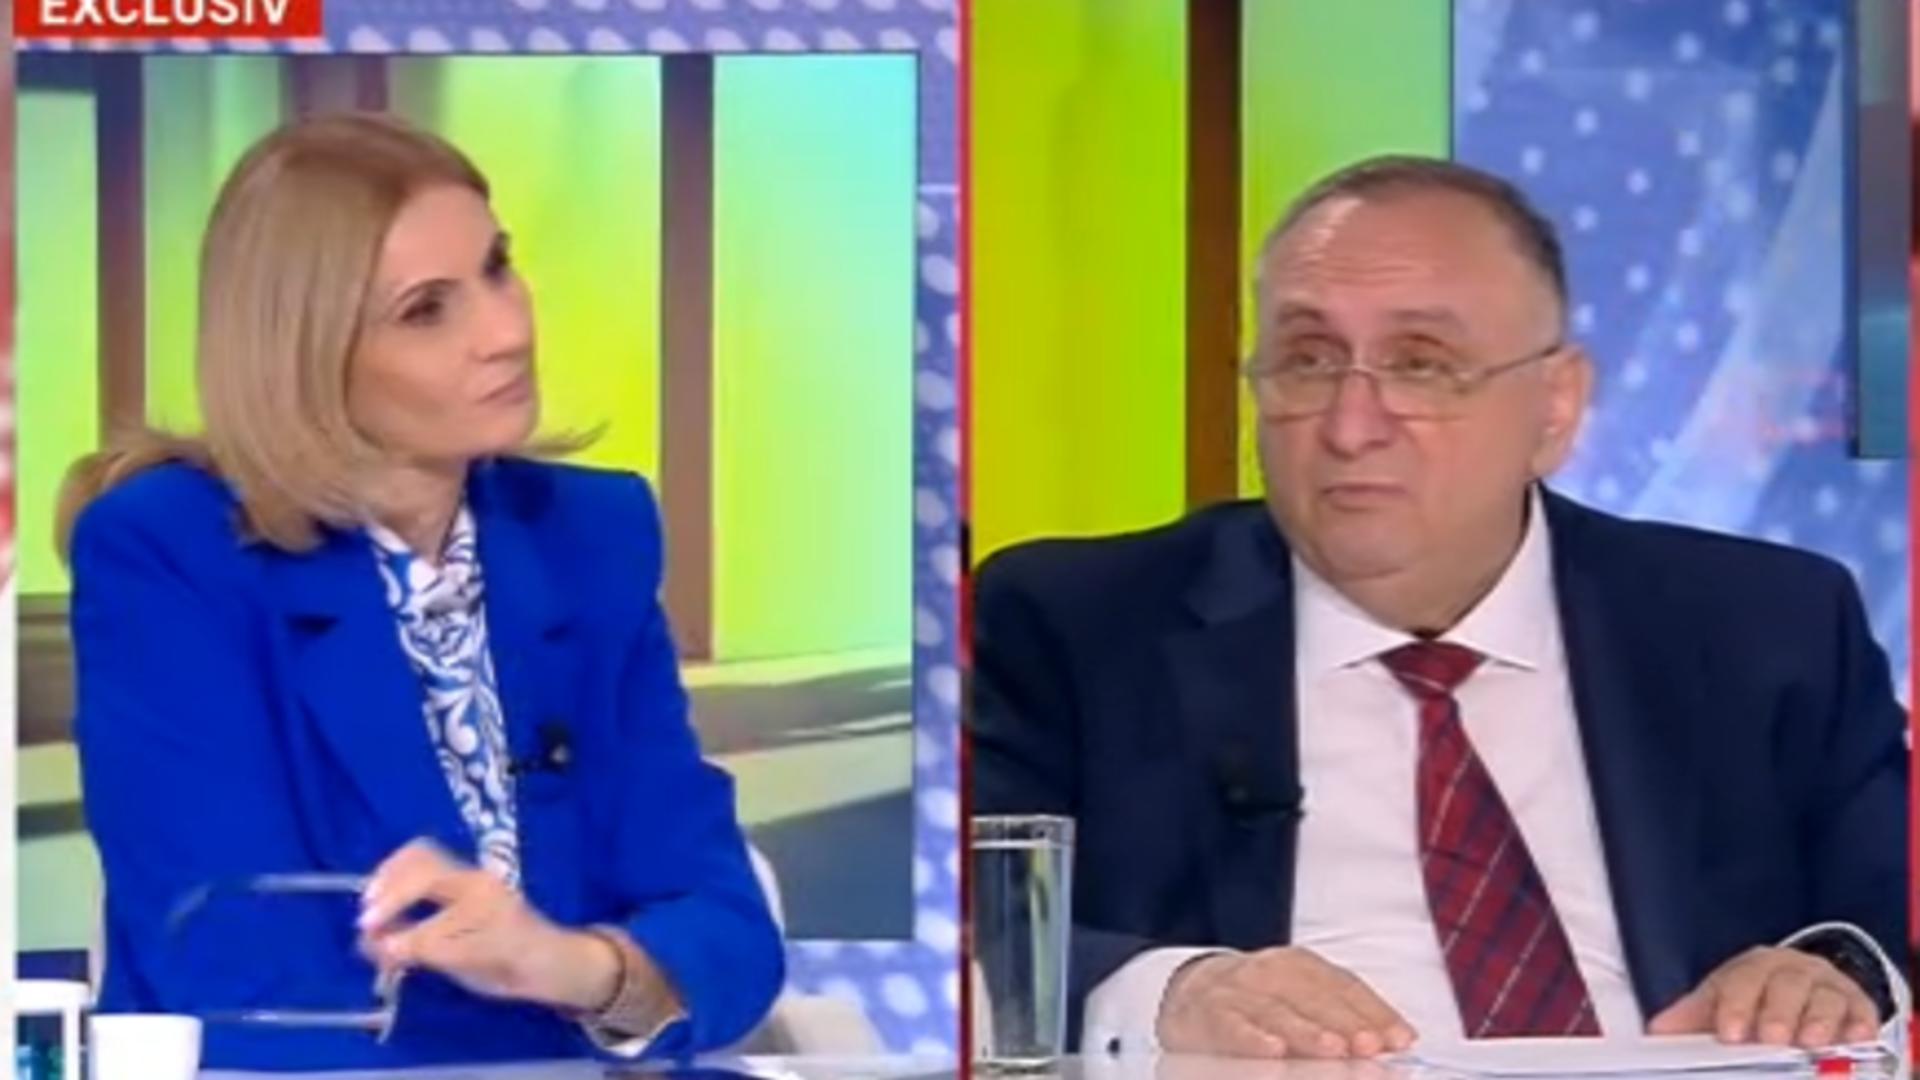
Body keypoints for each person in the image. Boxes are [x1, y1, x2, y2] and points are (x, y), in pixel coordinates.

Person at [969, 156, 1907, 1060]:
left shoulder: (1765, 623)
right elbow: (972, 934)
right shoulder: (1078, 627)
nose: (1349, 427)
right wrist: (1170, 991)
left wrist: (1833, 971)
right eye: (1306, 360)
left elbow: (1884, 909)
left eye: (1421, 365)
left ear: (1556, 405)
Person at [60, 112, 783, 1071]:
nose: (509, 331)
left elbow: (725, 925)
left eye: (498, 267)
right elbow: (237, 964)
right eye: (426, 310)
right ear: (306, 354)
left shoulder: (588, 537)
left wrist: (571, 965)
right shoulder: (173, 553)